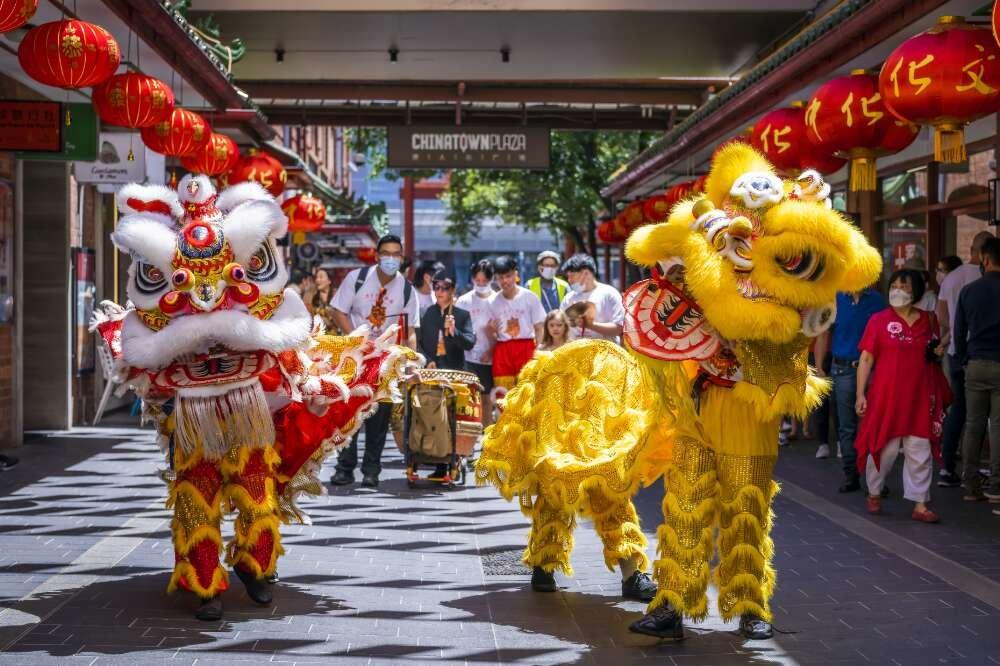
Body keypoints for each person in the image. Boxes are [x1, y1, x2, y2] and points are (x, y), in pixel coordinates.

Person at [854, 269, 951, 523]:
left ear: (917, 290)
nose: (897, 290)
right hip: (886, 397)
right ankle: (874, 492)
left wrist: (938, 351)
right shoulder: (878, 320)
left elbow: (934, 351)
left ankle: (920, 504)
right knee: (883, 450)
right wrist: (860, 394)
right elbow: (866, 358)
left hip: (920, 397)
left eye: (905, 286)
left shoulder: (929, 320)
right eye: (894, 285)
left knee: (919, 450)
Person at [330, 234, 420, 490]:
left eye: (396, 255)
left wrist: (411, 361)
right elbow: (338, 310)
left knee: (379, 418)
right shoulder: (357, 279)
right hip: (356, 357)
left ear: (401, 258)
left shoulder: (406, 289)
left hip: (386, 359)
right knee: (350, 414)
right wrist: (355, 339)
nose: (391, 259)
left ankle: (371, 470)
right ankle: (344, 468)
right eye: (386, 254)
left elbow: (410, 328)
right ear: (377, 255)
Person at [935, 232, 995, 487]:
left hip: (963, 359)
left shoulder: (957, 280)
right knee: (996, 421)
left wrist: (957, 352)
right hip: (992, 357)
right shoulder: (980, 279)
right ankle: (994, 476)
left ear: (978, 253)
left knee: (964, 415)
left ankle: (954, 471)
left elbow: (946, 320)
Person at [813, 285, 885, 491]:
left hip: (872, 369)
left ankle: (875, 478)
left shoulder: (877, 300)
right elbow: (823, 334)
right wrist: (819, 367)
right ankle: (851, 474)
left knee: (873, 423)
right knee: (847, 426)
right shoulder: (834, 299)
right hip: (842, 369)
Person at [954, 236, 1000, 503]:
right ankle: (996, 484)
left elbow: (960, 332)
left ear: (984, 259)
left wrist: (964, 359)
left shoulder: (970, 290)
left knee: (973, 424)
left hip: (976, 364)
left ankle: (970, 483)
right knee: (998, 426)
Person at [487, 255, 546, 398]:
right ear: (496, 279)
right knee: (504, 396)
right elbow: (492, 335)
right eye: (500, 277)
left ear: (516, 275)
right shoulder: (492, 302)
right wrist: (491, 331)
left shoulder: (529, 297)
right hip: (503, 350)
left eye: (508, 276)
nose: (505, 281)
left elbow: (540, 327)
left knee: (528, 393)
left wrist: (539, 351)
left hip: (526, 348)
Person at [456, 259, 497, 428]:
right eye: (477, 280)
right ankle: (469, 440)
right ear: (472, 279)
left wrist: (492, 349)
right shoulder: (464, 301)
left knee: (487, 400)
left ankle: (487, 437)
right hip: (468, 357)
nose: (480, 284)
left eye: (484, 281)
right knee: (470, 399)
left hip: (490, 357)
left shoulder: (497, 300)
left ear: (491, 280)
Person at [559, 253, 625, 342]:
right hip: (576, 352)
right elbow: (560, 325)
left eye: (572, 275)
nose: (569, 280)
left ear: (586, 273)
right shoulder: (569, 298)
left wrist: (591, 325)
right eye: (568, 277)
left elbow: (619, 328)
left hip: (604, 352)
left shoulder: (609, 293)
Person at [417, 274, 476, 371]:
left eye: (445, 287)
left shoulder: (462, 315)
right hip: (429, 370)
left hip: (454, 372)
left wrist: (454, 331)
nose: (440, 291)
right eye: (437, 287)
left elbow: (469, 344)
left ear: (453, 290)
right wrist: (427, 360)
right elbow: (417, 343)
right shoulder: (424, 314)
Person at [309, 267, 338, 333]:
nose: (317, 280)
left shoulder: (336, 298)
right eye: (316, 277)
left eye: (321, 277)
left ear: (329, 281)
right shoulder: (314, 298)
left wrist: (329, 322)